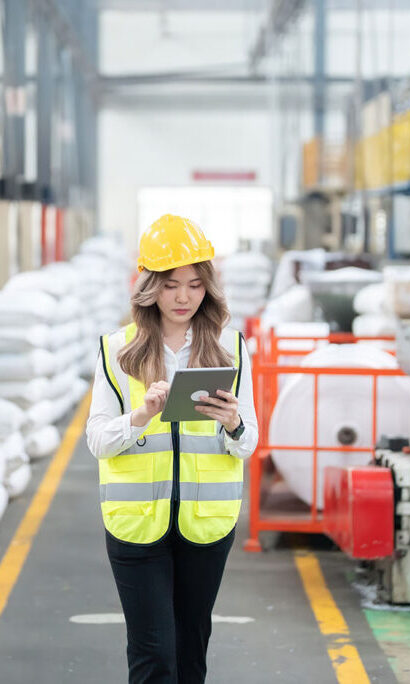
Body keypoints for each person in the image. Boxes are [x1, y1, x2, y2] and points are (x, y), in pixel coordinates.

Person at [87, 214, 259, 684]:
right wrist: (138, 417)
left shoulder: (232, 348)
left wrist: (235, 424)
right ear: (149, 288)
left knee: (189, 653)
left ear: (209, 287)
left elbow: (249, 442)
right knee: (153, 653)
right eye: (170, 285)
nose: (184, 297)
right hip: (137, 522)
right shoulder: (116, 351)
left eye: (195, 284)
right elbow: (98, 441)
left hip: (206, 524)